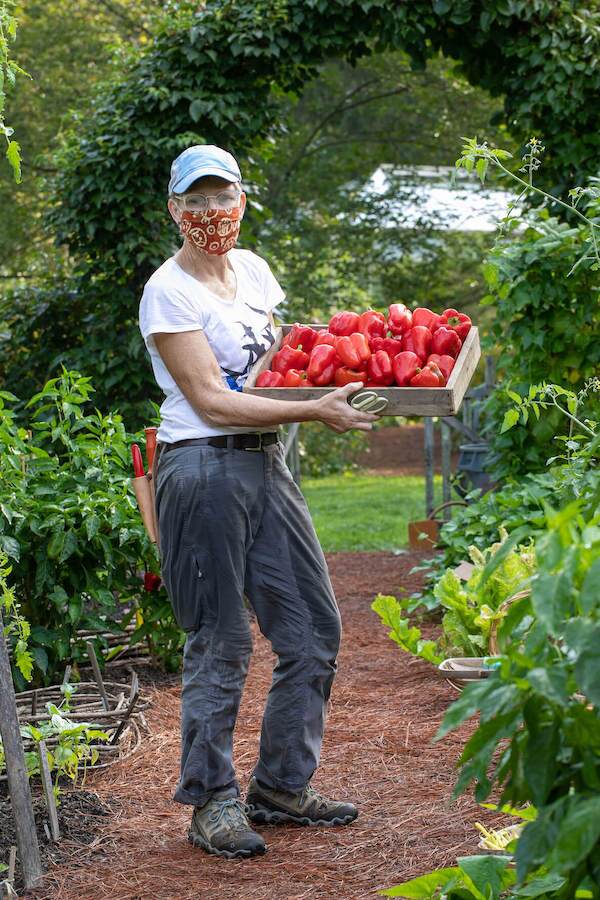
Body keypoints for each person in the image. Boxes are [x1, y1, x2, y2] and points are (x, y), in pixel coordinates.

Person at [138, 145, 379, 860]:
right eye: (197, 201)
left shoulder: (255, 272)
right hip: (201, 469)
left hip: (265, 462)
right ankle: (210, 801)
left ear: (243, 200)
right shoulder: (168, 291)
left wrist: (343, 365)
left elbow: (278, 366)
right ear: (175, 211)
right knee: (223, 640)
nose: (212, 213)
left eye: (224, 197)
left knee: (312, 628)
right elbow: (211, 400)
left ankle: (280, 785)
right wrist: (313, 413)